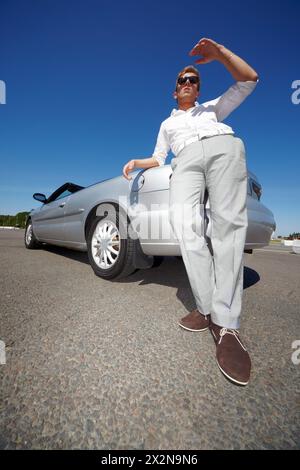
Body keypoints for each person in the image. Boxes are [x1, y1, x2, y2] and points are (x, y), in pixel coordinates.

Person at [123, 37, 259, 386]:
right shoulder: (167, 124)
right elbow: (159, 157)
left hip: (222, 149)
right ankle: (205, 306)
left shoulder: (212, 108)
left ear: (198, 89)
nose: (188, 83)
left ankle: (226, 325)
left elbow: (249, 80)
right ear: (175, 91)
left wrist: (222, 54)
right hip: (184, 162)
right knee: (185, 226)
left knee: (227, 227)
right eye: (183, 80)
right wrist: (139, 161)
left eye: (193, 80)